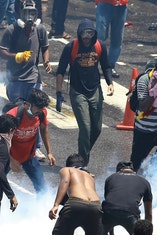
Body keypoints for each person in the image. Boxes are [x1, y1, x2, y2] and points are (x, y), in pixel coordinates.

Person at [55, 18, 114, 166]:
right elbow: (61, 71)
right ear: (79, 34)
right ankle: (82, 164)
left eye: (90, 32)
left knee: (97, 128)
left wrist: (110, 83)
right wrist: (58, 92)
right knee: (85, 128)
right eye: (84, 33)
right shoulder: (71, 47)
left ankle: (81, 155)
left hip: (95, 90)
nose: (87, 36)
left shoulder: (100, 46)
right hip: (78, 92)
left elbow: (106, 66)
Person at [0, 0, 51, 103]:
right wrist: (17, 56)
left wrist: (46, 60)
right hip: (15, 80)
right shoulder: (11, 30)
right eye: (26, 13)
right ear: (21, 13)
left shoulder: (40, 30)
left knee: (35, 110)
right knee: (19, 110)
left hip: (33, 79)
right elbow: (1, 52)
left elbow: (45, 48)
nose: (29, 16)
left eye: (32, 13)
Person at [6, 89, 56, 195]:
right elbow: (2, 141)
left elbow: (44, 129)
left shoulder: (41, 113)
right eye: (37, 110)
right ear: (28, 105)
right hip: (9, 155)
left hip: (29, 156)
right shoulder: (13, 116)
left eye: (41, 110)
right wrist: (11, 159)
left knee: (42, 188)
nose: (39, 113)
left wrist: (49, 152)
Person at [102, 161, 153, 235]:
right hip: (131, 212)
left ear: (118, 171)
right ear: (134, 171)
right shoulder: (145, 182)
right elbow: (148, 214)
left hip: (109, 213)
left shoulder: (110, 178)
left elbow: (109, 205)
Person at [95, 0, 128, 78]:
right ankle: (92, 64)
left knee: (117, 38)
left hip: (121, 6)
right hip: (104, 4)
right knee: (100, 36)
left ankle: (110, 66)